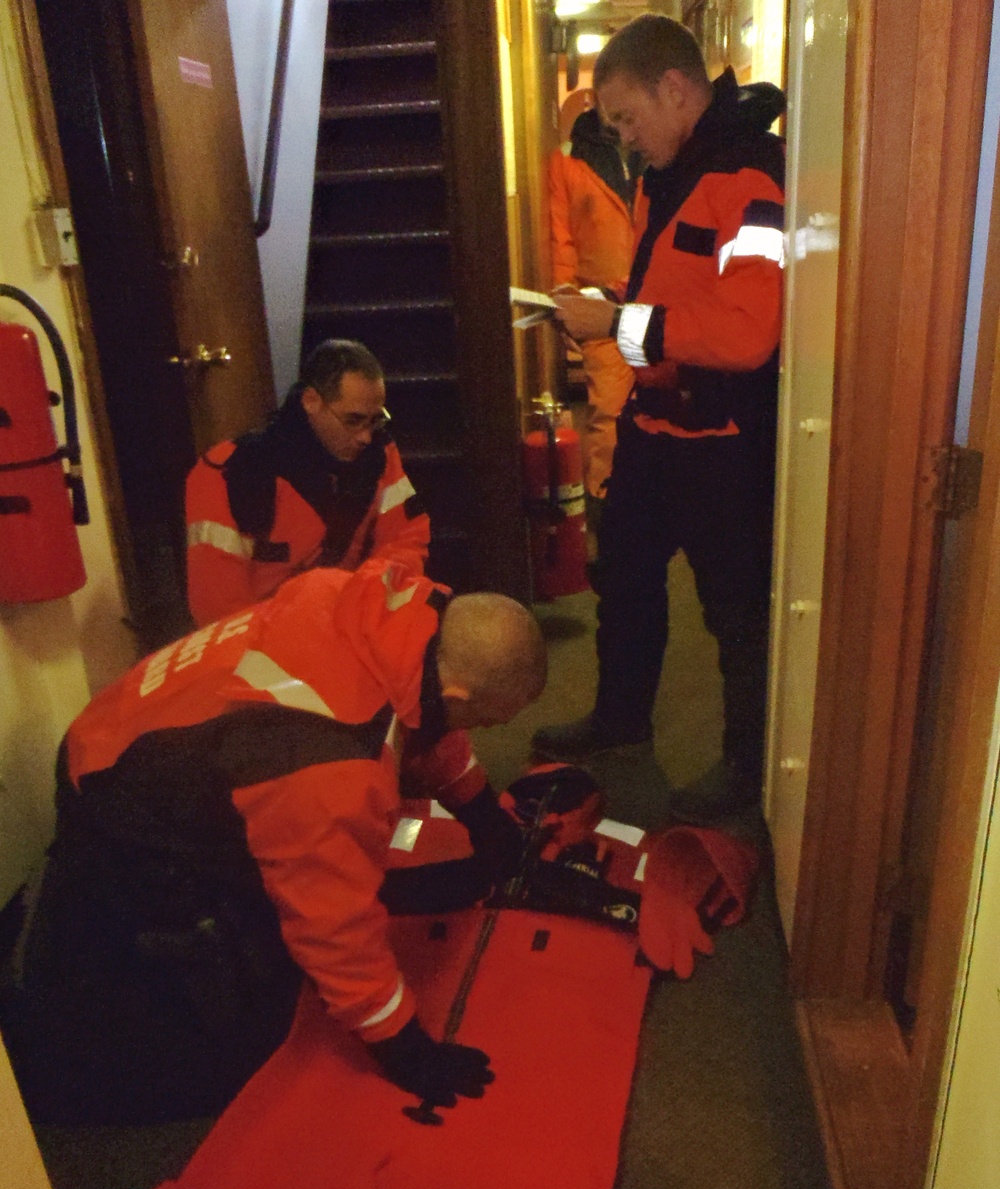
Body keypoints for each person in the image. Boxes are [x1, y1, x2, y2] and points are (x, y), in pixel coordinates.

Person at [3, 558, 545, 1125]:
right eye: (485, 720)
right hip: (124, 804)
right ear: (456, 692)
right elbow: (333, 928)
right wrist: (403, 1048)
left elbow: (423, 711)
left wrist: (481, 811)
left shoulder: (388, 608)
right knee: (244, 1034)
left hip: (127, 728)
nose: (477, 733)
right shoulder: (324, 766)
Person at [533, 16, 785, 820]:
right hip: (655, 423)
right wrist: (608, 308)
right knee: (627, 582)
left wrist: (618, 327)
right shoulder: (660, 177)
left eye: (625, 119)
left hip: (725, 441)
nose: (624, 139)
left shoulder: (754, 178)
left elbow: (749, 333)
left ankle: (748, 767)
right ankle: (619, 722)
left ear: (675, 89)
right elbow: (666, 299)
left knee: (737, 613)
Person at [185, 339, 429, 627]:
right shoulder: (227, 473)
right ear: (311, 401)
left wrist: (364, 600)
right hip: (262, 643)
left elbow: (406, 540)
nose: (365, 436)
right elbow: (219, 611)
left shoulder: (379, 455)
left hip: (350, 623)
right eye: (353, 420)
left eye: (375, 420)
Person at [548, 105, 639, 500]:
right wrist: (565, 302)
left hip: (660, 300)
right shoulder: (567, 161)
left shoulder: (653, 148)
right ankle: (607, 507)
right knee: (610, 416)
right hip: (602, 308)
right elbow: (560, 239)